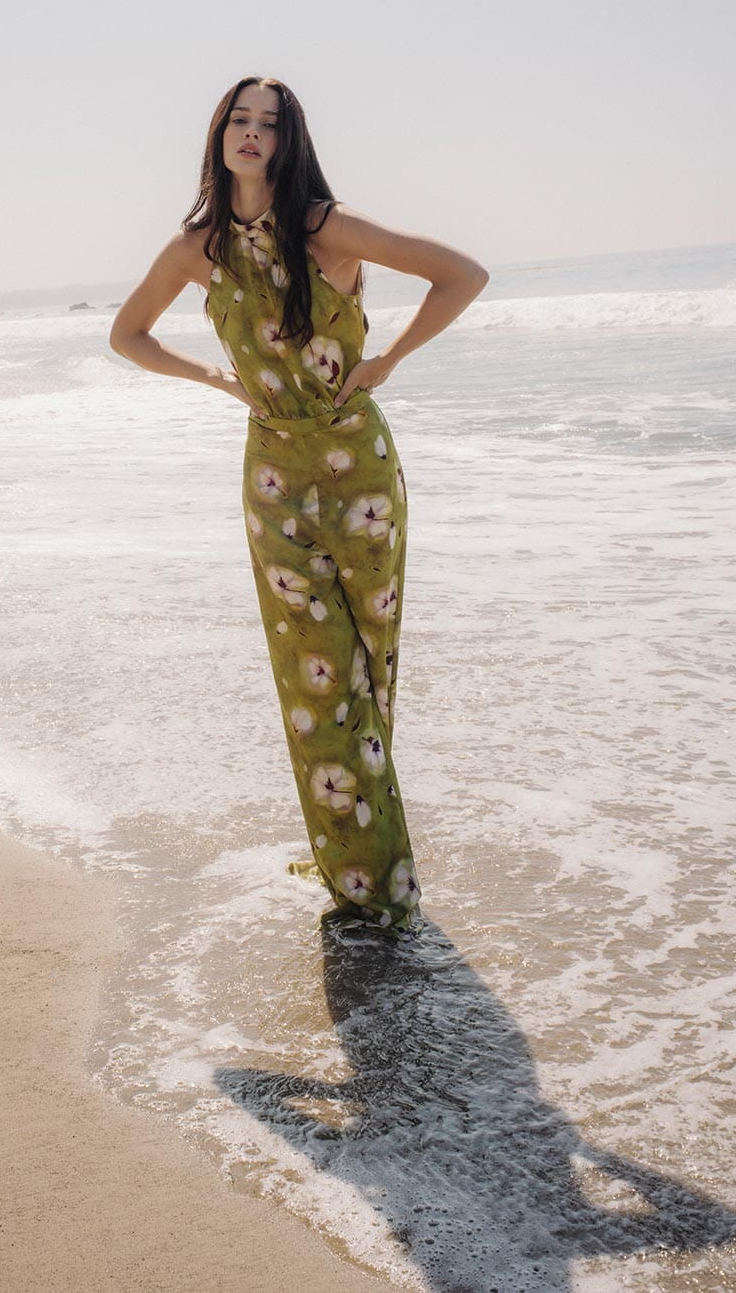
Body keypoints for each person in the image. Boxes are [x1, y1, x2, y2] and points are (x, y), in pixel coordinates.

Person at [107, 75, 487, 928]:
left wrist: (388, 359)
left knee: (364, 668)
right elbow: (126, 335)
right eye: (238, 120)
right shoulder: (196, 248)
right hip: (272, 476)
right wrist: (210, 377)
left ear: (289, 140)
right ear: (218, 135)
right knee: (312, 681)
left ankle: (369, 868)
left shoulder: (326, 226)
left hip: (358, 471)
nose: (251, 134)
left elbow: (461, 275)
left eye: (268, 124)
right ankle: (368, 886)